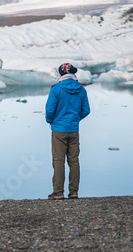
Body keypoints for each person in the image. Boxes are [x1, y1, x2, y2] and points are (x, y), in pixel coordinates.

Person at [45, 63, 90, 200]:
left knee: (59, 161)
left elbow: (49, 110)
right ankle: (74, 192)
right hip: (73, 129)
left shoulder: (56, 89)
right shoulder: (81, 90)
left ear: (61, 74)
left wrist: (51, 121)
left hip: (58, 130)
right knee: (74, 160)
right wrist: (75, 119)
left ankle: (58, 192)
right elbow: (86, 110)